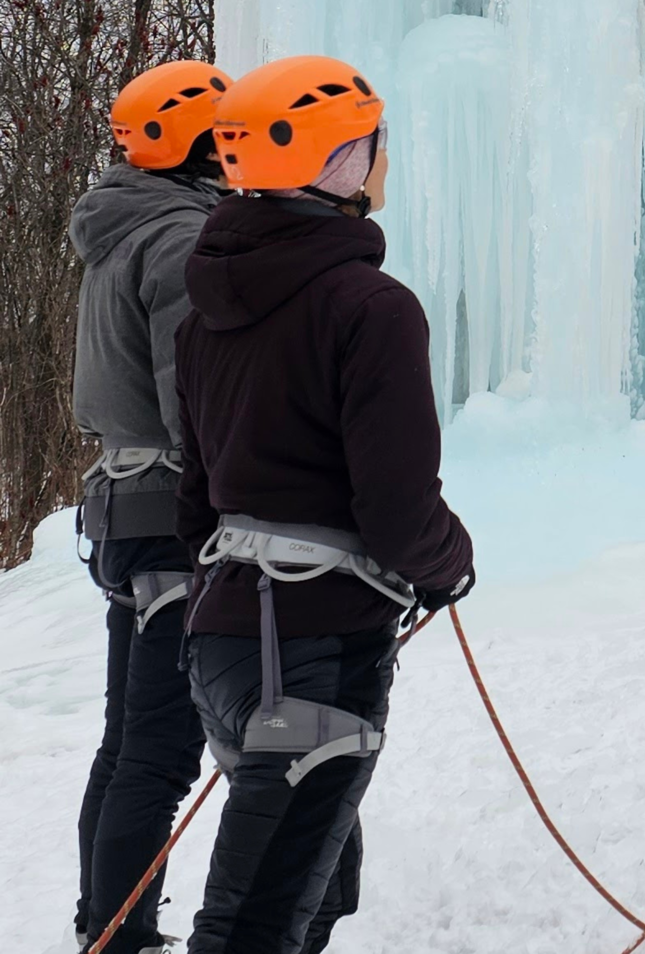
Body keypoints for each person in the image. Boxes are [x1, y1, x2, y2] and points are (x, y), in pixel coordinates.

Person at [175, 55, 473, 954]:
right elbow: (396, 503)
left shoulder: (204, 318)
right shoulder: (371, 308)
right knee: (258, 925)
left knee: (306, 899)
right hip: (315, 647)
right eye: (374, 144)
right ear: (339, 161)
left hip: (224, 644)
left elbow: (198, 503)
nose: (383, 159)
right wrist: (448, 562)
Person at [72, 60, 233, 954]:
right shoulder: (178, 239)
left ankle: (105, 924)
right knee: (160, 753)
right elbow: (193, 398)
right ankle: (120, 936)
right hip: (169, 518)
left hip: (123, 512)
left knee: (125, 743)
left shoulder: (122, 224)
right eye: (226, 133)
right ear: (193, 140)